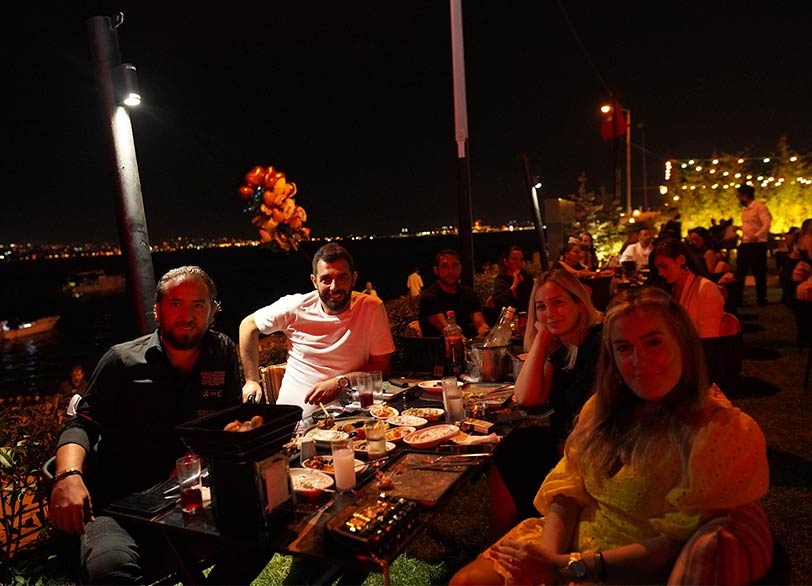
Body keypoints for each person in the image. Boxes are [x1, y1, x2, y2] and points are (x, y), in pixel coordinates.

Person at [451, 286, 768, 586]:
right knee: (466, 581)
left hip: (624, 569)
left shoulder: (718, 431)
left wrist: (566, 568)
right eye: (624, 348)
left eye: (653, 343)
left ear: (684, 345)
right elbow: (568, 488)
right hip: (569, 542)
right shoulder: (601, 409)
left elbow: (676, 544)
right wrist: (548, 559)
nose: (639, 361)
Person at [48, 266, 258, 584]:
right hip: (119, 506)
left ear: (213, 310)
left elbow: (229, 422)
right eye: (175, 303)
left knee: (263, 534)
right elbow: (82, 422)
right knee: (110, 570)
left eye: (198, 304)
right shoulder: (121, 361)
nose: (187, 316)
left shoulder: (222, 351)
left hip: (192, 499)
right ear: (158, 310)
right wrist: (68, 476)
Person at [489, 269, 603, 538]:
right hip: (565, 440)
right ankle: (508, 534)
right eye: (541, 307)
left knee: (516, 451)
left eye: (558, 302)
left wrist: (570, 447)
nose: (550, 312)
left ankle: (521, 532)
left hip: (588, 449)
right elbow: (527, 396)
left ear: (578, 303)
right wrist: (541, 338)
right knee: (508, 447)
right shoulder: (563, 346)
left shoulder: (598, 341)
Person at [239, 243, 395, 416]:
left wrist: (340, 382)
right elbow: (248, 326)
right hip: (295, 419)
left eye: (342, 277)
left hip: (351, 417)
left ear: (354, 278)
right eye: (326, 279)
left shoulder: (371, 307)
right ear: (314, 281)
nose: (334, 287)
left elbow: (382, 367)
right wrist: (251, 381)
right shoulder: (295, 307)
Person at [651, 238, 725, 338]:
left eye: (664, 266)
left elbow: (709, 337)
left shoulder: (706, 289)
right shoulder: (672, 289)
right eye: (658, 269)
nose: (660, 273)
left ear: (681, 260)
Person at [418, 249, 489, 339]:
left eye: (455, 266)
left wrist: (490, 335)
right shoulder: (429, 297)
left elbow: (481, 325)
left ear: (460, 269)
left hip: (466, 345)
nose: (450, 271)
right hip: (439, 347)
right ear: (436, 271)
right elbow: (450, 332)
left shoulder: (468, 293)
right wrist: (471, 345)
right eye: (444, 266)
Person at [734, 183, 772, 306]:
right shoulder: (745, 209)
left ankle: (761, 298)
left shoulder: (759, 207)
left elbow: (766, 223)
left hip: (757, 245)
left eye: (739, 195)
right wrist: (739, 228)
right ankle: (738, 298)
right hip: (745, 243)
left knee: (759, 272)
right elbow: (749, 225)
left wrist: (757, 235)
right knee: (740, 272)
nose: (739, 198)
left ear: (745, 195)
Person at [490, 245, 533, 317]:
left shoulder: (527, 277)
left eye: (521, 259)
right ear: (506, 262)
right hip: (508, 317)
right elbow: (499, 301)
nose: (518, 262)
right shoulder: (501, 280)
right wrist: (514, 284)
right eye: (514, 259)